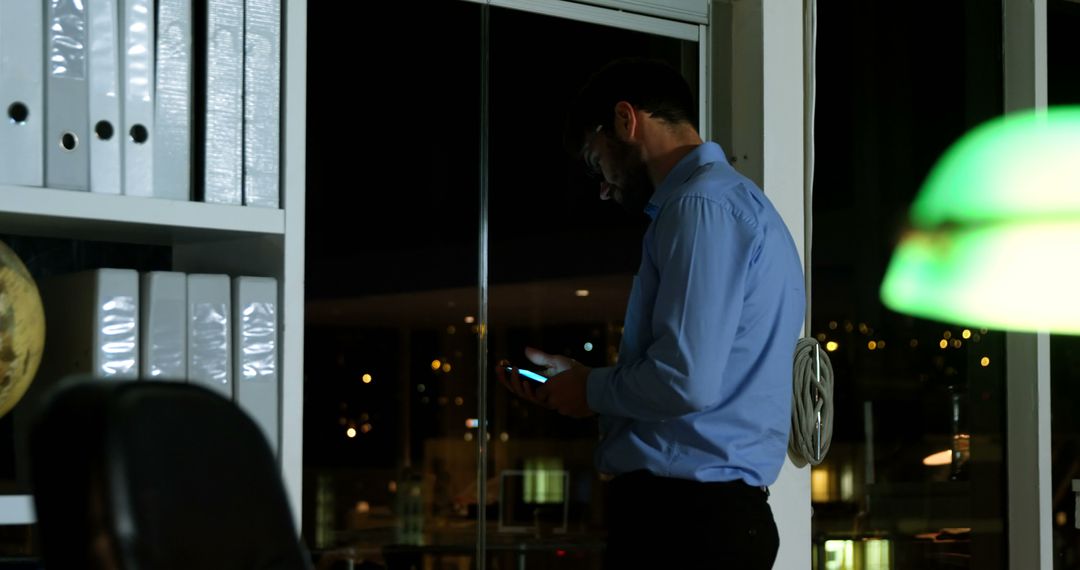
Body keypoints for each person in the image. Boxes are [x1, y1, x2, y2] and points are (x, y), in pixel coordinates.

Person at [496, 57, 805, 569]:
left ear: (626, 120)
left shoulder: (699, 207)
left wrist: (590, 389)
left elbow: (686, 381)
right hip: (705, 519)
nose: (602, 186)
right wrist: (588, 384)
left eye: (598, 163)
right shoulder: (738, 203)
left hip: (684, 522)